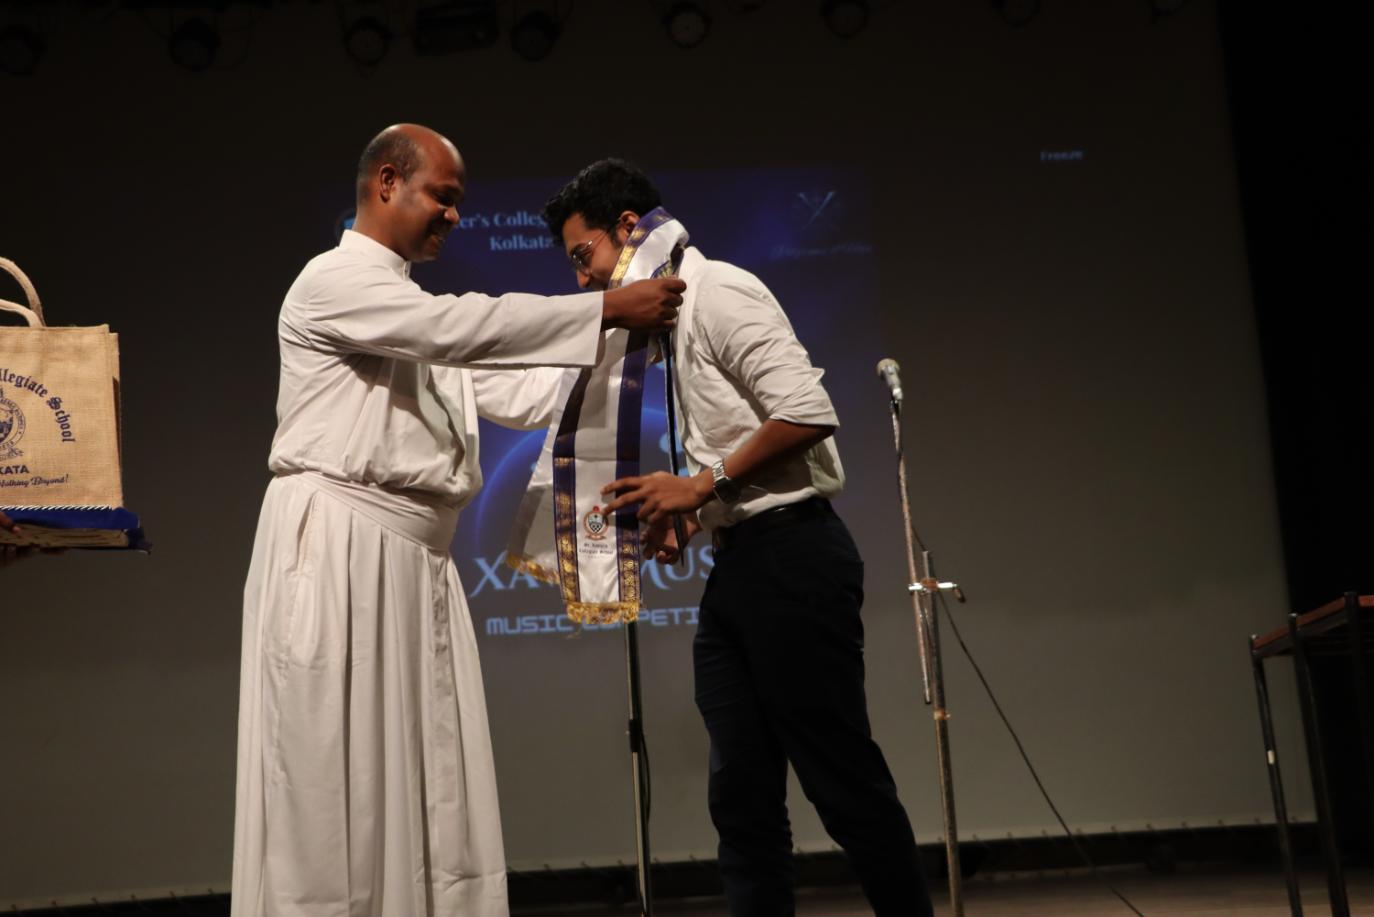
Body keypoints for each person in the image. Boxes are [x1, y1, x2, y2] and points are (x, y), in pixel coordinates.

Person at [231, 127, 683, 917]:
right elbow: (461, 329)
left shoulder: (407, 309)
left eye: (458, 202)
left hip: (415, 566)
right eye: (442, 197)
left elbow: (526, 391)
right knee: (334, 780)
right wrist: (606, 306)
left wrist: (627, 347)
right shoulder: (334, 282)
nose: (454, 216)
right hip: (340, 551)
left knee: (429, 780)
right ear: (386, 183)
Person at [543, 159, 932, 917]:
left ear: (629, 228)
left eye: (583, 255)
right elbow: (737, 438)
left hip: (795, 559)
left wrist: (701, 486)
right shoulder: (672, 325)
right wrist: (695, 516)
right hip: (742, 569)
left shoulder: (719, 291)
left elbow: (807, 410)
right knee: (741, 798)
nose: (584, 279)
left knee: (842, 782)